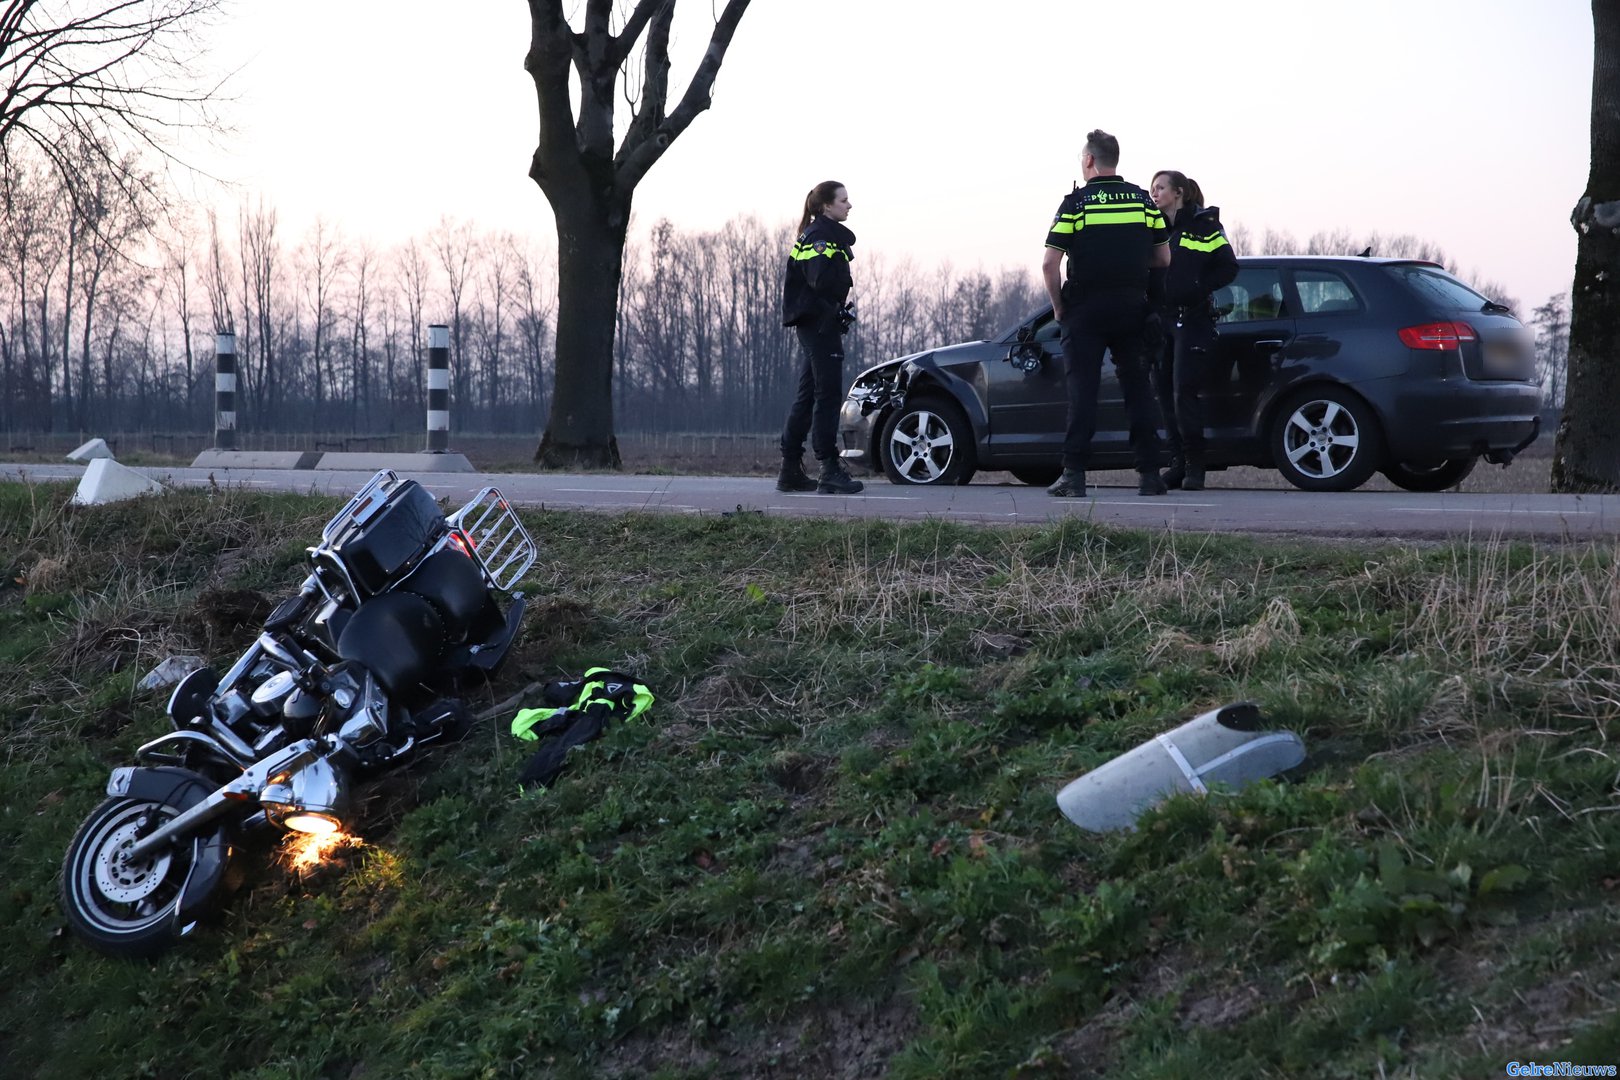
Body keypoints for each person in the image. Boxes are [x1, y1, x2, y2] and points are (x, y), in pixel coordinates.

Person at [1042, 130, 1171, 498]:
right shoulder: (1144, 203)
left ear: (1088, 161)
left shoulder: (1076, 204)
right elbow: (1163, 259)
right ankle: (1150, 475)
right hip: (1133, 307)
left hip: (1085, 309)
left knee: (1083, 390)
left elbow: (1050, 264)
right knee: (1138, 390)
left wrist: (1058, 307)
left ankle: (1074, 475)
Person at [1149, 170, 1239, 491]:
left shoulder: (1205, 226)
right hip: (1161, 321)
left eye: (1160, 188)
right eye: (1152, 188)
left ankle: (1195, 466)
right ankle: (1176, 463)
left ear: (1179, 193)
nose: (1154, 193)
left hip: (1192, 320)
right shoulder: (1151, 229)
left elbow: (1229, 266)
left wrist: (1200, 286)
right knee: (1162, 393)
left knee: (1182, 392)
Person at [779, 181, 863, 495]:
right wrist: (834, 309)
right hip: (819, 325)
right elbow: (820, 281)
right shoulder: (820, 238)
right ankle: (828, 467)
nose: (849, 205)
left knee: (808, 395)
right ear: (827, 206)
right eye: (844, 200)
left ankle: (790, 471)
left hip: (815, 323)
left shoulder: (820, 235)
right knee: (827, 395)